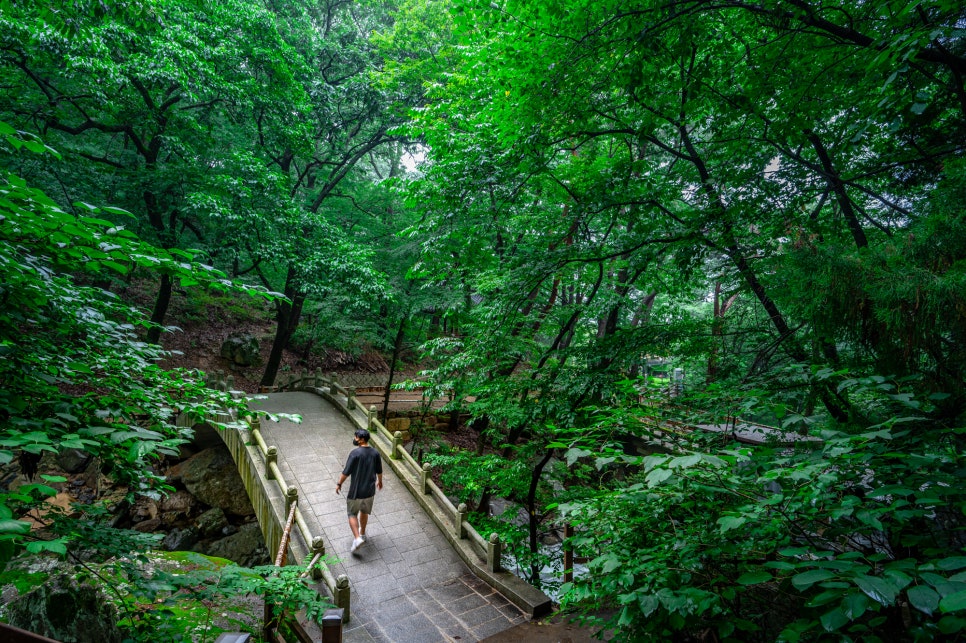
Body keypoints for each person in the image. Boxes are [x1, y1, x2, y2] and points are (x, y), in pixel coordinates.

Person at [335, 428, 383, 553]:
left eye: (356, 437)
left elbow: (346, 471)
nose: (354, 439)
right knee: (364, 511)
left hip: (355, 492)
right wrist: (380, 481)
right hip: (369, 491)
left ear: (361, 439)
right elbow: (379, 470)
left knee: (351, 514)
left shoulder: (355, 454)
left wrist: (339, 483)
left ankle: (357, 538)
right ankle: (362, 534)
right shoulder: (375, 453)